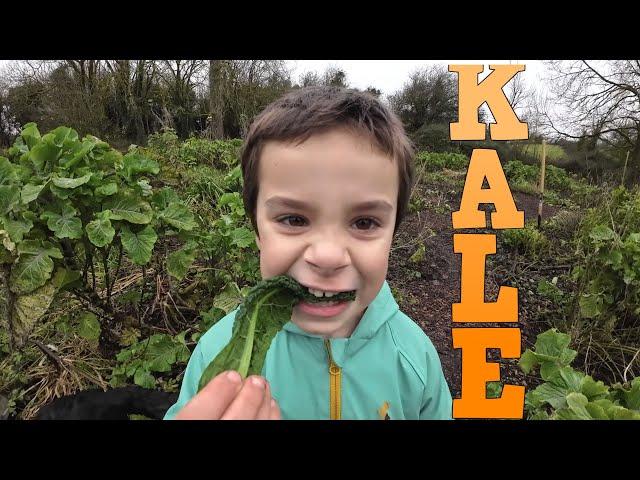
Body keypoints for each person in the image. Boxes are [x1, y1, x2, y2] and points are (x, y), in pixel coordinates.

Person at [164, 85, 453, 420]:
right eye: (294, 219)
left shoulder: (415, 358)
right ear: (257, 231)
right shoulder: (221, 354)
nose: (327, 256)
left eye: (364, 223)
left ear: (392, 234)